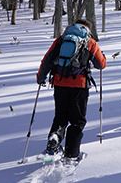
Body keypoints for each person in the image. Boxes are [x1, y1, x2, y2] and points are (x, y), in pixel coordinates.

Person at [36, 19, 106, 160]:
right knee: (77, 120)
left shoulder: (60, 40)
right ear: (87, 29)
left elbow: (47, 60)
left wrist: (40, 77)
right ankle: (71, 154)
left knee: (61, 114)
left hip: (59, 83)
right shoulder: (90, 42)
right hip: (79, 85)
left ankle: (55, 137)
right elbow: (101, 65)